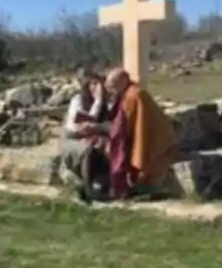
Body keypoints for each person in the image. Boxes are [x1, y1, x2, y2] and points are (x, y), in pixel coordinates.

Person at [103, 67, 178, 199]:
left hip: (155, 138)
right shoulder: (128, 93)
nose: (112, 90)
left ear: (123, 81)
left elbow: (130, 126)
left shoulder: (134, 95)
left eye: (113, 86)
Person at [58, 69, 112, 200]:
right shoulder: (78, 101)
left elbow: (107, 124)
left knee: (109, 147)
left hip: (89, 137)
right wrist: (98, 101)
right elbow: (84, 122)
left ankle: (107, 184)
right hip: (71, 139)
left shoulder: (106, 103)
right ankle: (88, 191)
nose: (95, 88)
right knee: (87, 151)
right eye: (92, 84)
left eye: (98, 84)